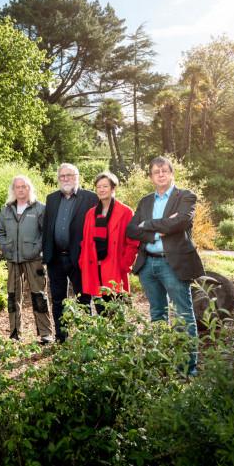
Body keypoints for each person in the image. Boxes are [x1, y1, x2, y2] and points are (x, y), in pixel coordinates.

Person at [127, 157, 205, 375]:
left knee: (183, 314)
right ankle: (161, 361)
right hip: (148, 265)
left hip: (174, 264)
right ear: (151, 177)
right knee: (157, 315)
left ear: (171, 173)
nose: (160, 174)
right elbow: (132, 230)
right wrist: (160, 230)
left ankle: (187, 368)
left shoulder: (186, 196)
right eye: (155, 172)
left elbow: (181, 222)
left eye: (164, 171)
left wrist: (148, 225)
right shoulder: (145, 201)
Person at [43, 163, 98, 342]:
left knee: (83, 299)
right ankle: (61, 338)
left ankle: (86, 338)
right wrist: (46, 254)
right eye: (62, 176)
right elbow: (47, 228)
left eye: (69, 175)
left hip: (80, 258)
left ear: (77, 176)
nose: (65, 179)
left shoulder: (90, 198)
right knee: (58, 300)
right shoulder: (51, 199)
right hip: (56, 258)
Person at [0, 175, 53, 342]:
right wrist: (6, 247)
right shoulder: (6, 209)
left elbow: (46, 233)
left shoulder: (39, 208)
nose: (20, 190)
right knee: (13, 297)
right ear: (13, 190)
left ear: (29, 188)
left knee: (39, 296)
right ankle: (15, 333)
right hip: (13, 260)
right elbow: (0, 232)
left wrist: (36, 249)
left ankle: (45, 333)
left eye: (24, 186)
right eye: (17, 187)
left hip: (34, 259)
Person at [79, 171, 140, 315]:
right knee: (101, 310)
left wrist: (125, 264)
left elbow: (133, 242)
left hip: (115, 267)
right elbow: (86, 241)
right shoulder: (91, 213)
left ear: (113, 188)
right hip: (94, 267)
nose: (101, 189)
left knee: (117, 311)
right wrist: (83, 261)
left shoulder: (125, 212)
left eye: (105, 186)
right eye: (98, 186)